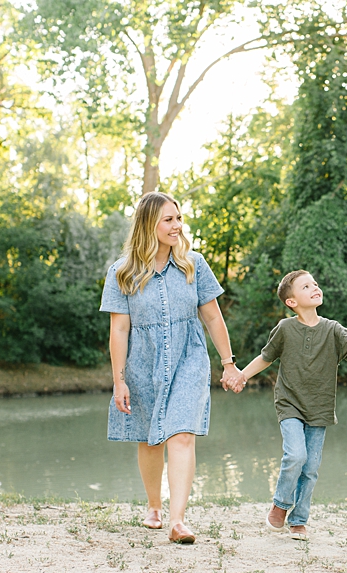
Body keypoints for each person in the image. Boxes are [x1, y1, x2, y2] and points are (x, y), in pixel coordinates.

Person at [100, 191, 242, 544]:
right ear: (150, 224)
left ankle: (178, 520)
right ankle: (154, 506)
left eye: (178, 218)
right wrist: (119, 381)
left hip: (189, 358)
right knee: (150, 439)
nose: (177, 225)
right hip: (142, 361)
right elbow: (119, 329)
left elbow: (212, 315)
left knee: (181, 434)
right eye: (168, 219)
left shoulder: (194, 263)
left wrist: (228, 363)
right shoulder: (122, 272)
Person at [228, 270, 347, 541]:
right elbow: (266, 358)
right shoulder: (285, 329)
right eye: (306, 286)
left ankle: (299, 520)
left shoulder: (333, 330)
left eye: (315, 284)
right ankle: (280, 505)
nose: (315, 288)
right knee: (296, 456)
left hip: (319, 407)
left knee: (310, 468)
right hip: (290, 404)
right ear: (291, 302)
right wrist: (241, 375)